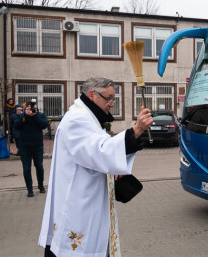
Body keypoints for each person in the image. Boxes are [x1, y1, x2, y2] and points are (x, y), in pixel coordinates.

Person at [39, 77, 153, 257]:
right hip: (78, 204)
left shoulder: (87, 117)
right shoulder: (76, 119)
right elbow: (99, 151)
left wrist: (117, 165)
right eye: (109, 98)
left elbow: (99, 146)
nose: (111, 104)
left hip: (87, 196)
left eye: (113, 99)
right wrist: (136, 130)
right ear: (92, 95)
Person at [13, 99, 48, 197]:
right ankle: (30, 189)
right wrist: (25, 115)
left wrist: (35, 115)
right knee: (26, 168)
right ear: (25, 109)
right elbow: (16, 125)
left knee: (39, 167)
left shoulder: (40, 115)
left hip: (37, 145)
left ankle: (41, 186)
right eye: (29, 109)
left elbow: (44, 125)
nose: (32, 110)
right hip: (25, 146)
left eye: (34, 108)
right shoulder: (21, 116)